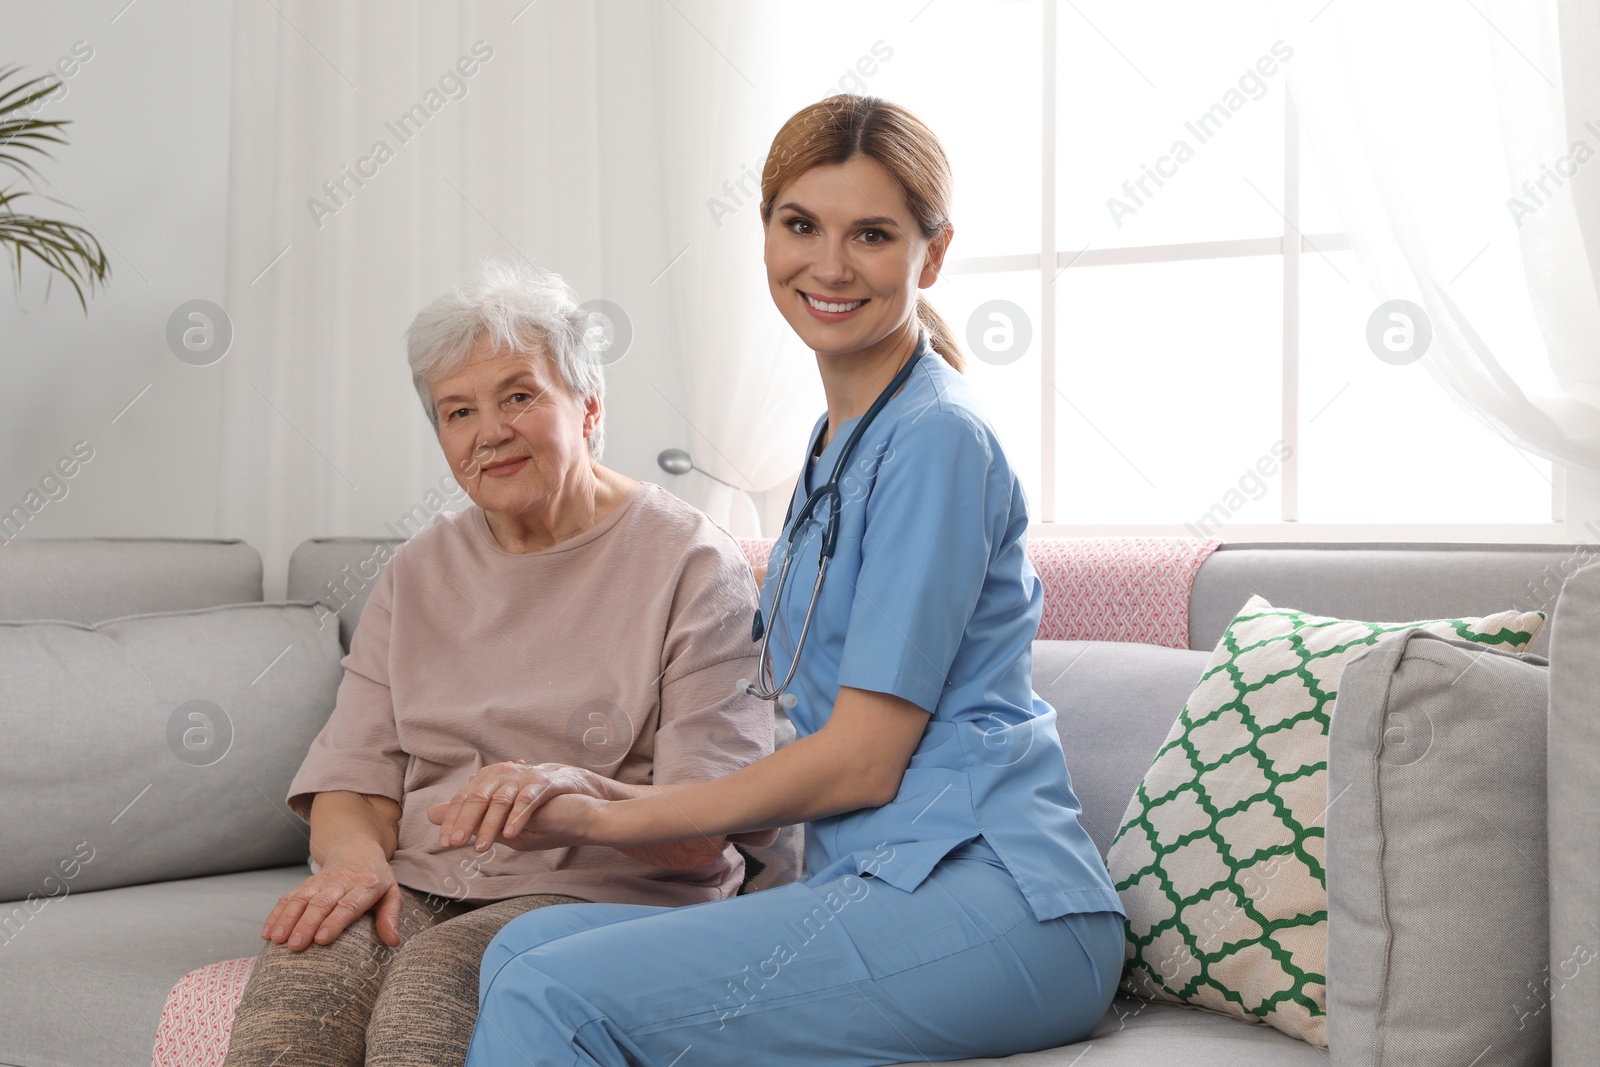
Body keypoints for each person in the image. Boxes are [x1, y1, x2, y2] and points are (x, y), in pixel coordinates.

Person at [438, 95, 1125, 1067]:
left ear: (930, 256)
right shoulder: (835, 438)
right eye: (801, 224)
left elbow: (858, 762)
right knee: (520, 950)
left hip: (997, 899)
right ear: (764, 231)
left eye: (872, 234)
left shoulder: (936, 440)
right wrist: (595, 785)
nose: (830, 264)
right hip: (876, 879)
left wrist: (599, 815)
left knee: (554, 988)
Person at [222, 261, 775, 1067]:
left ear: (588, 406)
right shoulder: (419, 570)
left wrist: (573, 795)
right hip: (420, 880)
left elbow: (702, 829)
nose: (489, 431)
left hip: (603, 892)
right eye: (458, 411)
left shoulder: (692, 564)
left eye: (519, 395)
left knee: (432, 994)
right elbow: (356, 776)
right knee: (303, 976)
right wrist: (355, 864)